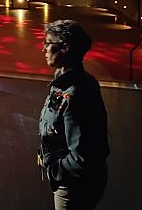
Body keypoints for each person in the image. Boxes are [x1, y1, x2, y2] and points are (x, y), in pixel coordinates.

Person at [38, 20, 109, 210]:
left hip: (73, 186)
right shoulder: (65, 81)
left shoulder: (77, 92)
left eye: (48, 43)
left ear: (65, 48)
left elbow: (82, 156)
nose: (43, 49)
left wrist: (54, 171)